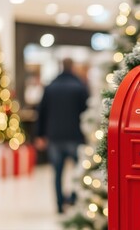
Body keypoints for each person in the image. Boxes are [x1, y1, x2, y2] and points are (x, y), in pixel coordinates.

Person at [35, 58, 89, 214]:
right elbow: (86, 112)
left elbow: (42, 112)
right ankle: (74, 199)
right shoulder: (80, 87)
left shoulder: (51, 87)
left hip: (55, 136)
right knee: (77, 172)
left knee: (57, 173)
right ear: (72, 67)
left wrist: (40, 134)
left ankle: (59, 205)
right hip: (75, 136)